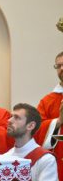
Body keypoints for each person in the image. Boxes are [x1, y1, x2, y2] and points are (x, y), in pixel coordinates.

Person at [5, 103, 58, 181]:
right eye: (11, 116)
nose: (9, 120)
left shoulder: (46, 159)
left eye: (16, 117)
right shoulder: (6, 157)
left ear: (30, 126)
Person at [35, 51, 63, 180]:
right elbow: (36, 129)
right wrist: (58, 121)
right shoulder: (47, 101)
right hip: (57, 159)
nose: (61, 68)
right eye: (58, 66)